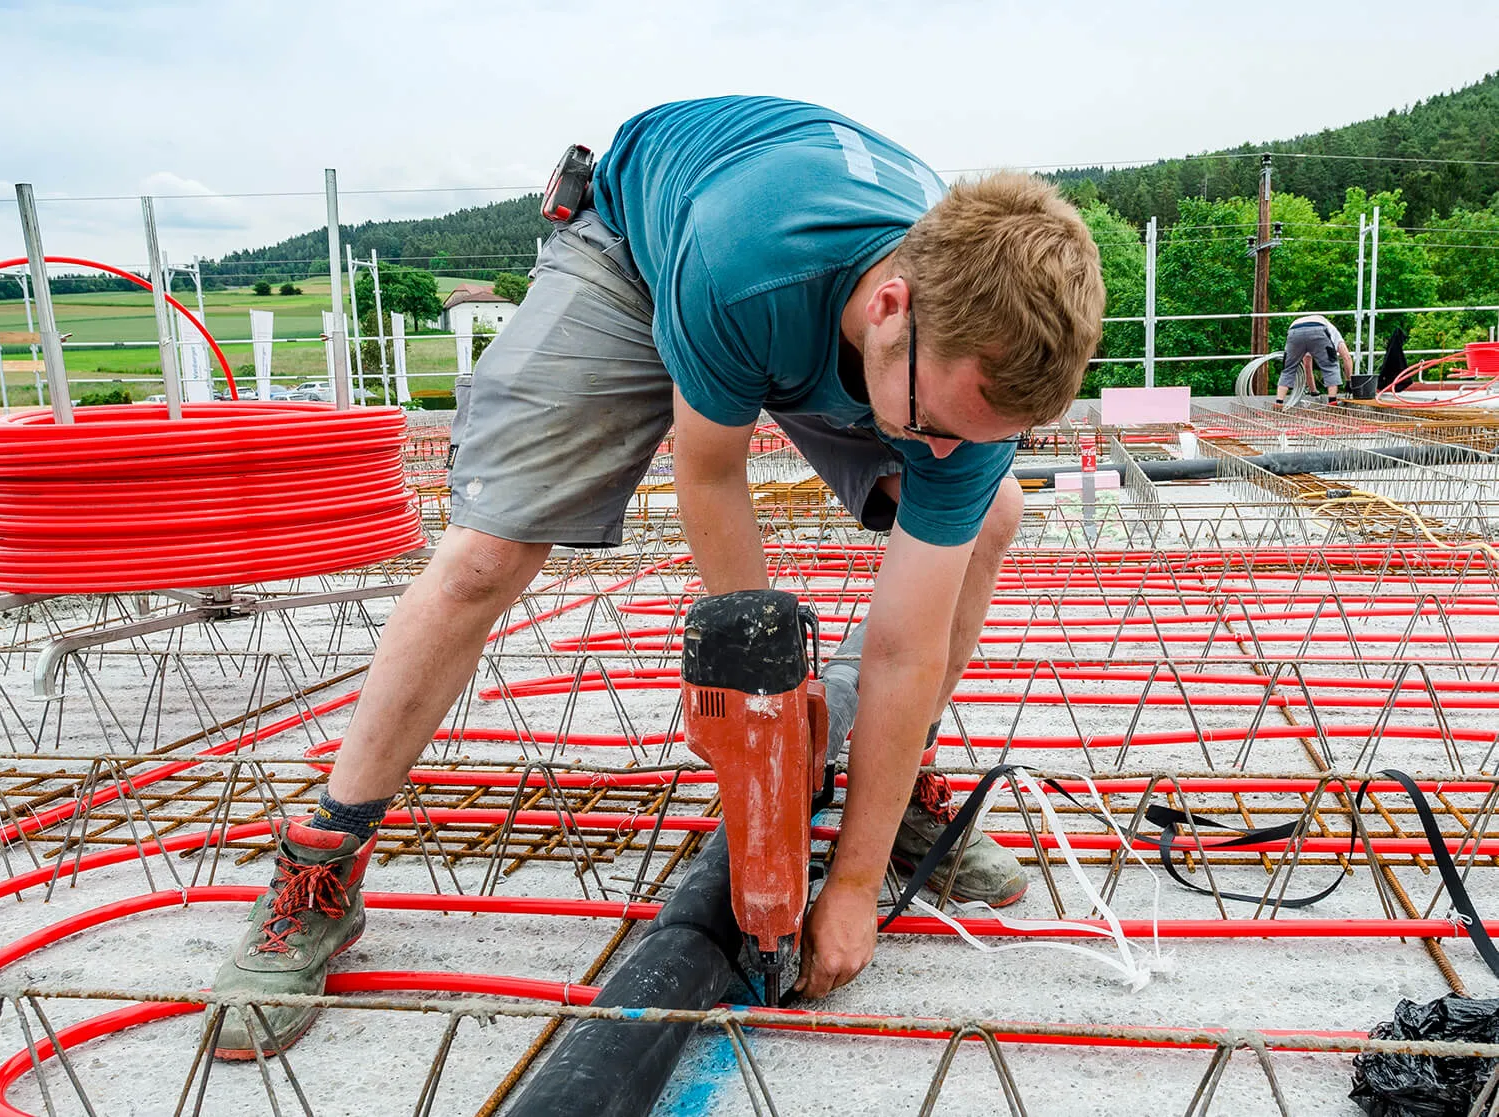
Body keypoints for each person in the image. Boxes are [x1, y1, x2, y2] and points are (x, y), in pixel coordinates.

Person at [210, 96, 1105, 1059]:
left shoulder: (963, 372)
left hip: (815, 327)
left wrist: (846, 888)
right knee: (486, 554)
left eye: (966, 434)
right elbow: (712, 470)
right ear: (892, 307)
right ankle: (325, 864)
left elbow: (902, 641)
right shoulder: (750, 261)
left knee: (990, 512)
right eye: (936, 423)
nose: (940, 449)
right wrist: (770, 736)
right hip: (643, 256)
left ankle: (892, 810)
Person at [1275, 313, 1353, 405]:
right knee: (1330, 366)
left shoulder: (1309, 332)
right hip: (1318, 329)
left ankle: (1279, 402)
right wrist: (1349, 382)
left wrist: (1313, 391)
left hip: (1294, 331)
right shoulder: (1334, 333)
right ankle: (1332, 401)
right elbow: (1347, 357)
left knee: (1288, 368)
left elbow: (1307, 365)